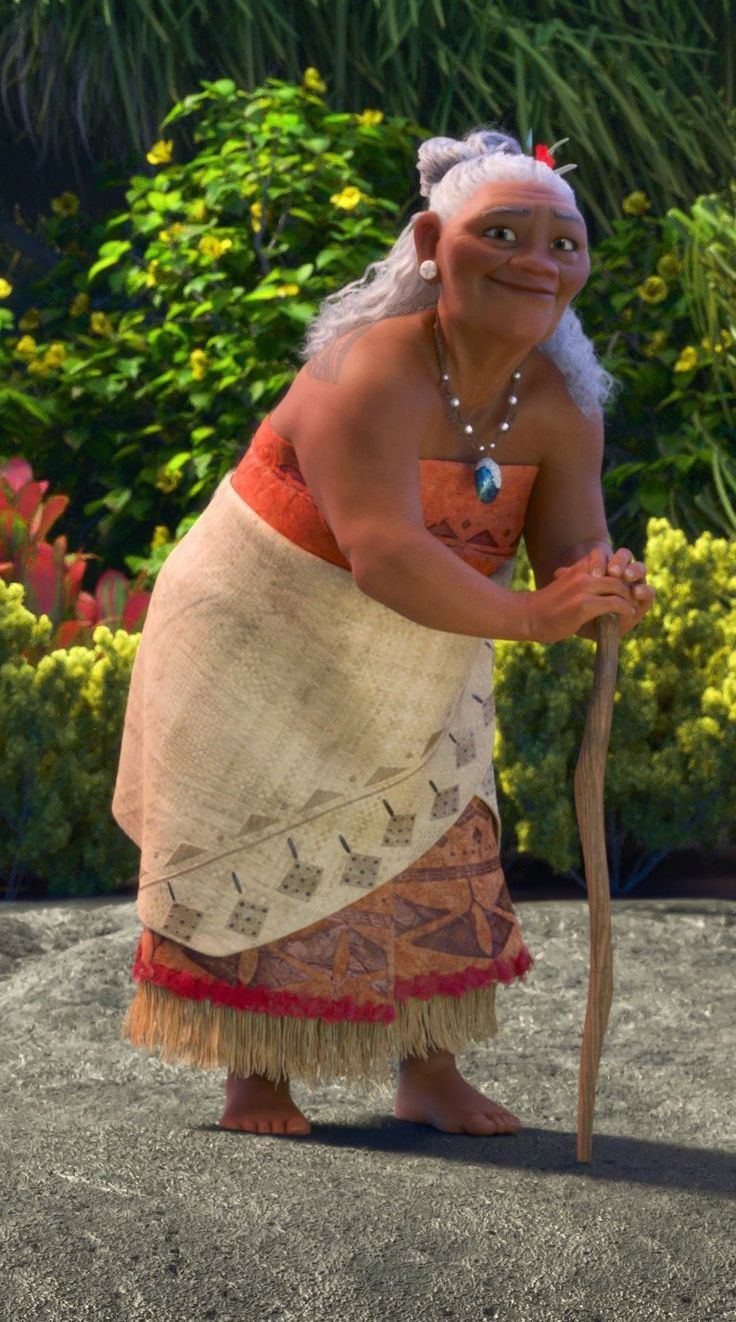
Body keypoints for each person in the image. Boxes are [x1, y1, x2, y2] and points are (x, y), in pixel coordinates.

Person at [113, 127, 655, 1139]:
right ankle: (259, 1076)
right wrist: (534, 616)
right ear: (427, 242)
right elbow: (387, 555)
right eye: (502, 233)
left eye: (562, 243)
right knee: (268, 834)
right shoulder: (370, 367)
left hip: (425, 642)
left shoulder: (562, 403)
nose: (537, 262)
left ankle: (429, 1067)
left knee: (434, 835)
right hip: (261, 632)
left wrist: (600, 589)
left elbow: (569, 549)